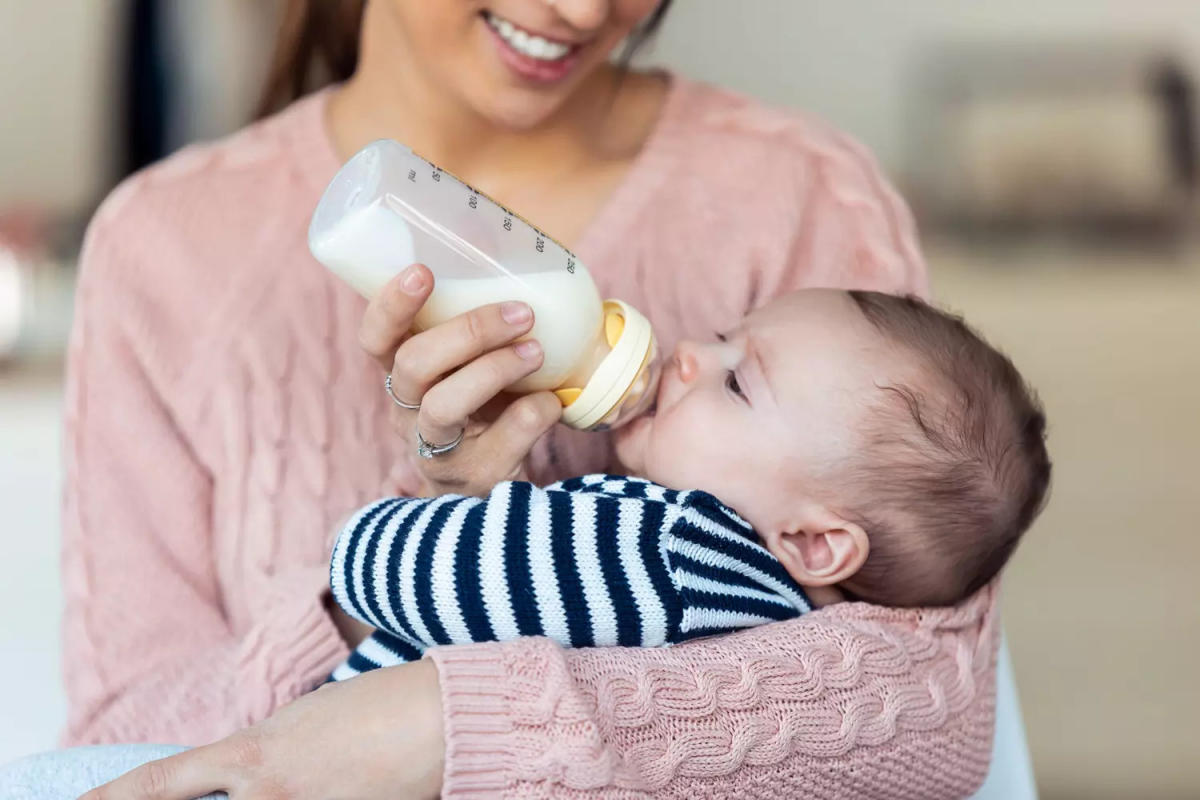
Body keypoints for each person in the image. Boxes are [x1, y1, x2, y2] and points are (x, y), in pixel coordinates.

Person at [16, 0, 1003, 797]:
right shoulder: (161, 244)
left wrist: (453, 723)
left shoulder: (802, 197)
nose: (579, 11)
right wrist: (404, 552)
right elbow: (123, 750)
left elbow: (933, 707)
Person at [325, 289, 1050, 679]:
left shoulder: (669, 550)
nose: (690, 353)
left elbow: (392, 572)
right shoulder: (751, 609)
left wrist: (370, 536)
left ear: (815, 542)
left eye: (736, 382)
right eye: (723, 333)